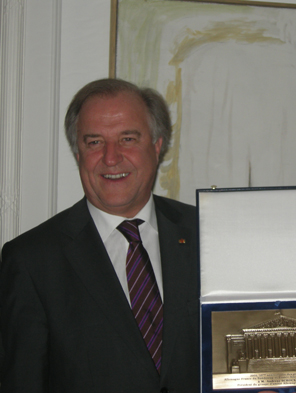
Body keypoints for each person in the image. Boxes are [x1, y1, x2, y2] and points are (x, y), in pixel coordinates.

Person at [0, 79, 200, 392]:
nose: (110, 157)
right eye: (94, 142)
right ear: (77, 153)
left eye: (128, 139)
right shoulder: (31, 261)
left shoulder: (208, 232)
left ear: (158, 144)